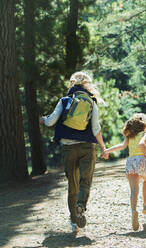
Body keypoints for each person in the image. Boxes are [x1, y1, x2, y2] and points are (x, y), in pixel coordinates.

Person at [41, 71, 108, 233]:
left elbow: (50, 122)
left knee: (73, 185)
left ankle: (74, 222)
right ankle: (81, 206)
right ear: (87, 84)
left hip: (68, 148)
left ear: (72, 83)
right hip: (87, 148)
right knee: (86, 181)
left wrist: (42, 119)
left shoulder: (64, 101)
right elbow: (96, 129)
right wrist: (103, 148)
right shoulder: (91, 102)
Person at [104, 113, 146, 231]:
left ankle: (133, 211)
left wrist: (107, 150)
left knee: (133, 190)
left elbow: (122, 146)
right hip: (142, 160)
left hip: (131, 161)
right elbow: (142, 145)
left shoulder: (129, 136)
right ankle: (145, 206)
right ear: (143, 124)